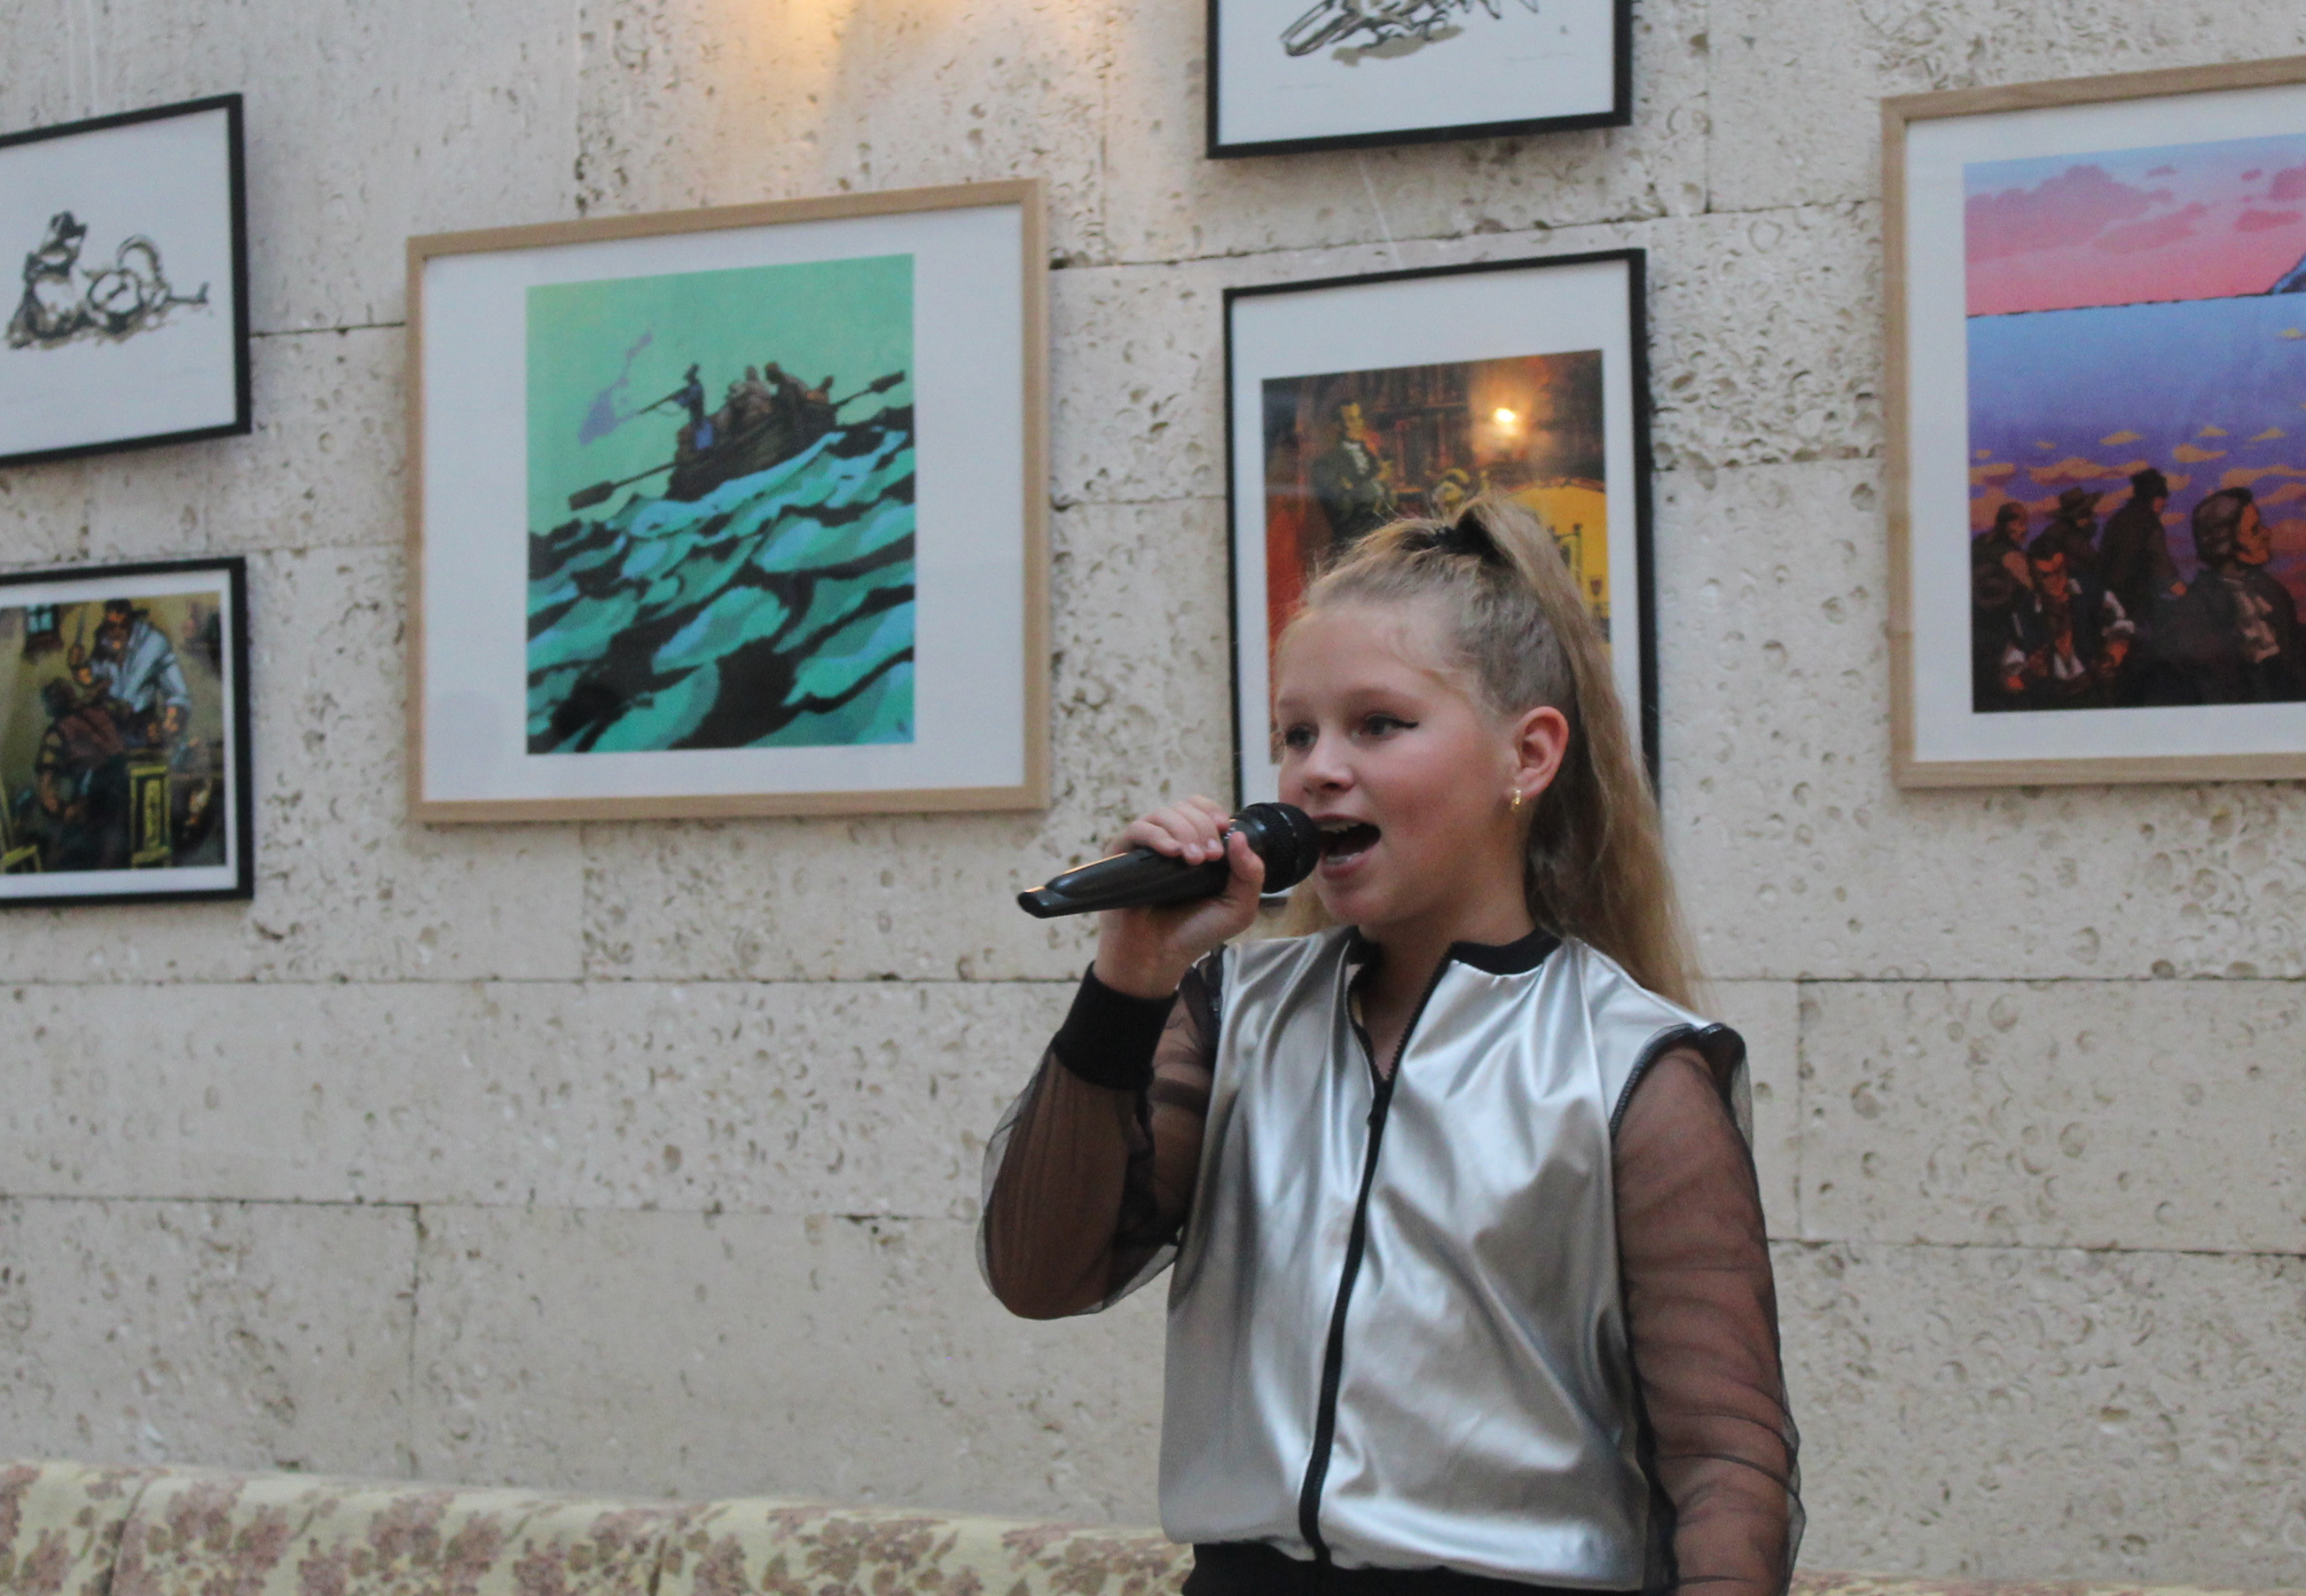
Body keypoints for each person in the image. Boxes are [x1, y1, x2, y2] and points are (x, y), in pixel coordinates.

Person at [980, 495, 1801, 1596]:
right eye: (1295, 734)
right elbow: (1040, 1274)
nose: (1318, 769)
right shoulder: (1232, 1014)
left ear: (1527, 754)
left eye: (1376, 725)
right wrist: (1128, 983)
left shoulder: (1632, 1068)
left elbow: (1725, 1463)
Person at [2161, 489, 2305, 702]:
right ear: (2225, 542)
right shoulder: (2195, 610)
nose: (2267, 533)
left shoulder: (2273, 592)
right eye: (2254, 529)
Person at [1308, 400, 1398, 558]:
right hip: (1351, 544)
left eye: (1359, 418)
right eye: (1351, 419)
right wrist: (1374, 481)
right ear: (1338, 425)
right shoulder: (1327, 463)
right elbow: (1341, 508)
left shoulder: (1371, 457)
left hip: (1381, 541)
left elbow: (1389, 504)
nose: (1358, 424)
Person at [2038, 486, 2103, 583]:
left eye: (2089, 512)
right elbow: (2088, 556)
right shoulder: (2064, 532)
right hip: (2063, 581)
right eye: (2084, 514)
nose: (2089, 518)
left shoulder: (2070, 529)